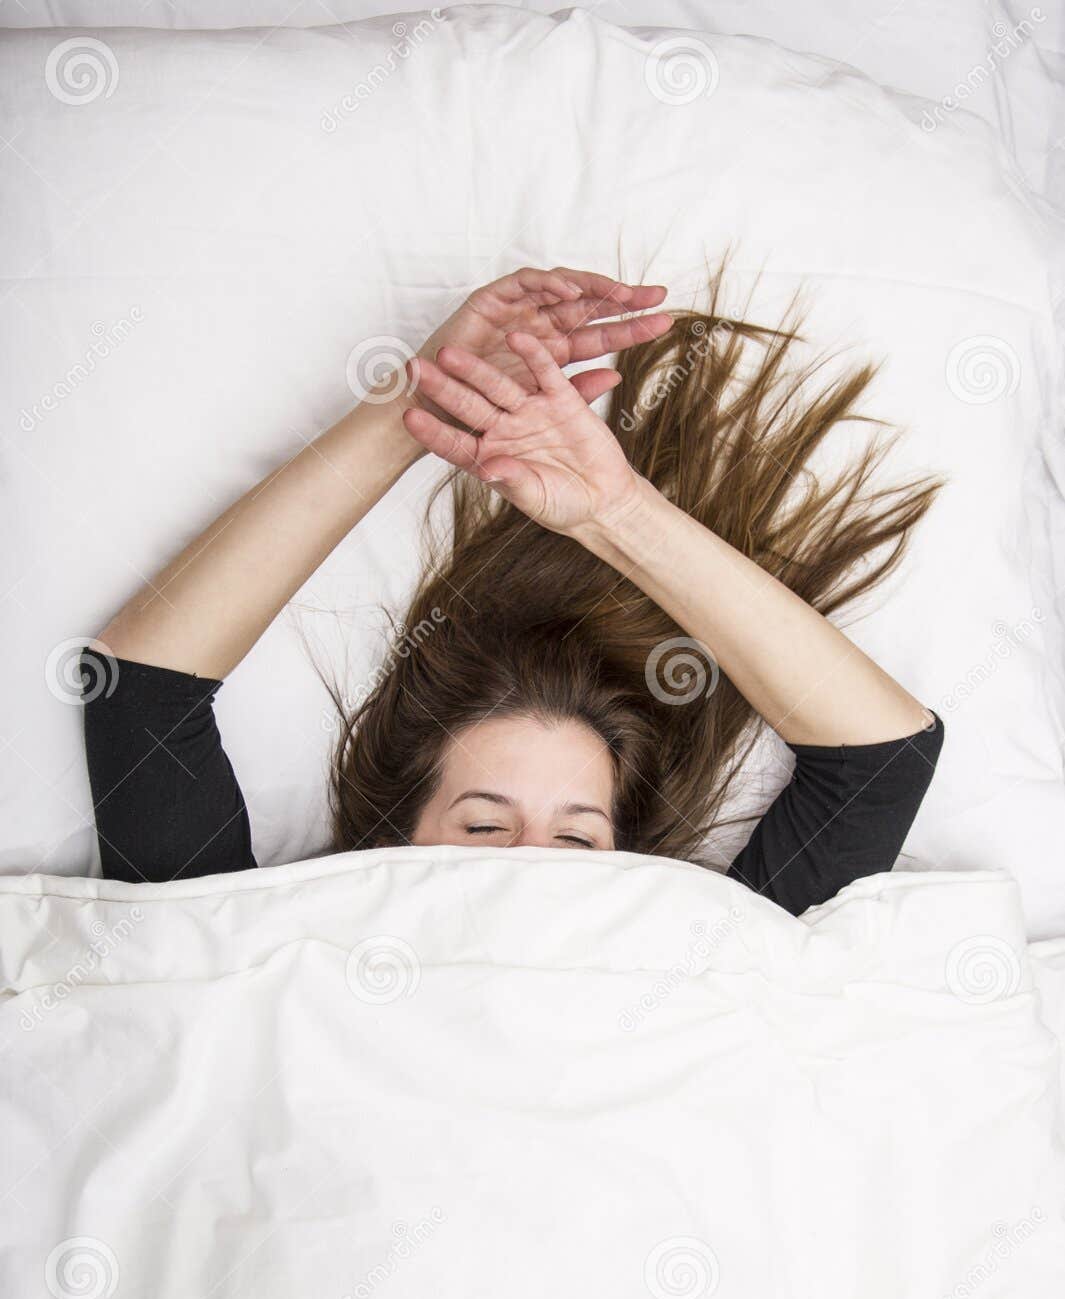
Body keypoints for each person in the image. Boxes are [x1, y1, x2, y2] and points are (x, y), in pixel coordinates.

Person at [81, 264, 944, 916]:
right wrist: (419, 406)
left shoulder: (703, 968)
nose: (529, 864)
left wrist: (616, 513)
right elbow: (140, 694)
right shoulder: (257, 947)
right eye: (485, 826)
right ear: (392, 846)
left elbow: (881, 758)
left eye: (577, 838)